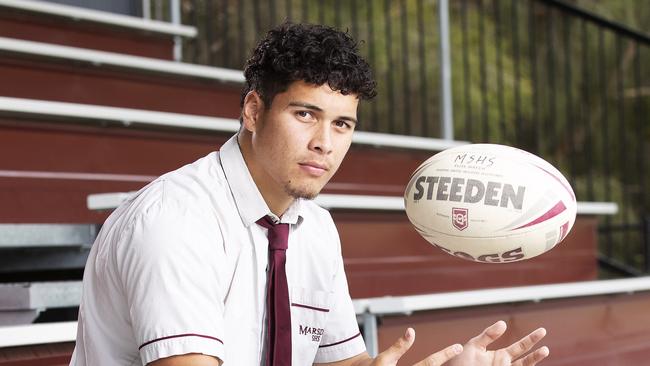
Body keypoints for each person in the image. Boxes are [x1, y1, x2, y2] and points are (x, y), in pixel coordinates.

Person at [70, 22, 549, 366]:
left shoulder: (314, 227)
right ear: (254, 111)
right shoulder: (176, 220)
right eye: (305, 115)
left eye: (342, 124)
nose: (325, 142)